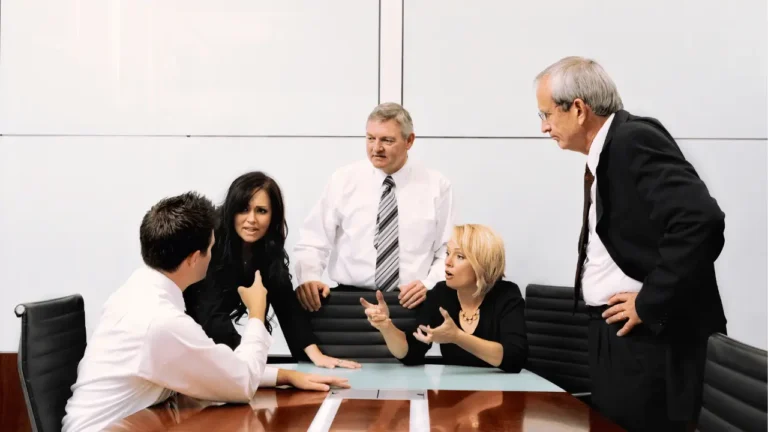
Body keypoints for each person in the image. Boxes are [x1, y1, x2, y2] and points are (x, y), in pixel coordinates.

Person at [534, 56, 727, 431]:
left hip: (649, 341)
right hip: (617, 337)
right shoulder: (605, 152)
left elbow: (701, 220)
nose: (544, 127)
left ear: (577, 109)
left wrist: (649, 301)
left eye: (546, 115)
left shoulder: (632, 138)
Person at [63, 192, 349, 432]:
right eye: (211, 248)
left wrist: (285, 376)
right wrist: (257, 312)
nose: (214, 255)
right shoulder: (161, 322)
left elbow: (210, 365)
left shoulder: (136, 292)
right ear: (193, 258)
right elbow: (239, 384)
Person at [183, 172, 360, 369]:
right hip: (181, 340)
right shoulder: (211, 245)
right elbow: (213, 318)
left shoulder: (267, 249)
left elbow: (286, 304)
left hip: (208, 347)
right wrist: (249, 364)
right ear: (231, 211)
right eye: (243, 209)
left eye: (261, 211)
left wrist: (315, 355)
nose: (251, 219)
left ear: (273, 215)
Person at [294, 102, 454, 312]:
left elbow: (447, 250)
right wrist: (309, 278)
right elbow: (314, 240)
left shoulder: (436, 186)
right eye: (370, 138)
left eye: (387, 140)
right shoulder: (343, 180)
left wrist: (429, 284)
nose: (376, 148)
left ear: (409, 141)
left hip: (410, 302)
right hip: (348, 302)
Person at [360, 224, 528, 372]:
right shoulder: (441, 293)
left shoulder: (507, 295)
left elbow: (514, 359)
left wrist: (458, 337)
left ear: (482, 264)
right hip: (453, 396)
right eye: (448, 253)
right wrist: (386, 326)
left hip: (500, 394)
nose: (447, 262)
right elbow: (412, 353)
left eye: (459, 256)